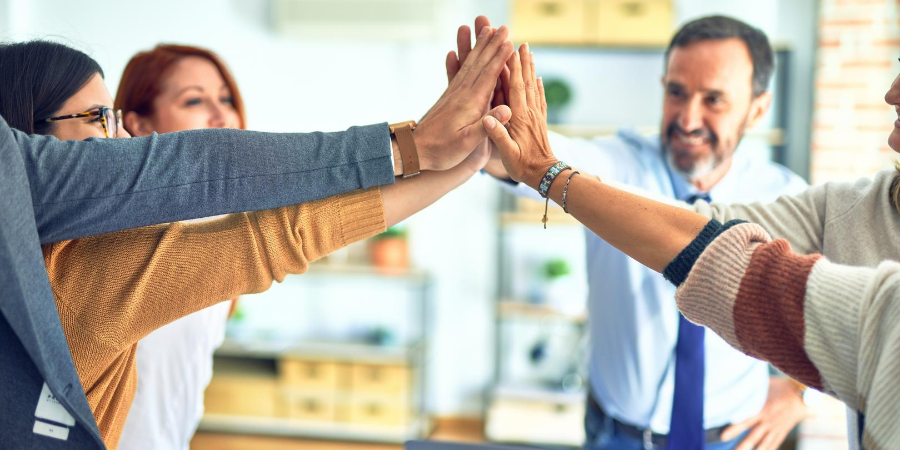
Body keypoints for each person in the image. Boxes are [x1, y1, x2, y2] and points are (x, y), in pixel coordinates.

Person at [0, 27, 512, 449]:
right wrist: (436, 151)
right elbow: (275, 224)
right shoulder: (91, 265)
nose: (122, 141)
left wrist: (456, 154)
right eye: (98, 120)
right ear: (30, 137)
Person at [481, 39, 899, 450]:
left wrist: (796, 393)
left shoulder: (789, 195)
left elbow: (829, 309)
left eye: (714, 99)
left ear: (758, 108)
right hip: (614, 434)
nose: (687, 118)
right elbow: (534, 160)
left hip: (731, 438)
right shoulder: (618, 162)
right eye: (676, 92)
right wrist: (495, 133)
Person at [110, 44, 252, 450]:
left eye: (225, 98)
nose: (221, 115)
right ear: (136, 124)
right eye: (194, 99)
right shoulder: (132, 231)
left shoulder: (223, 218)